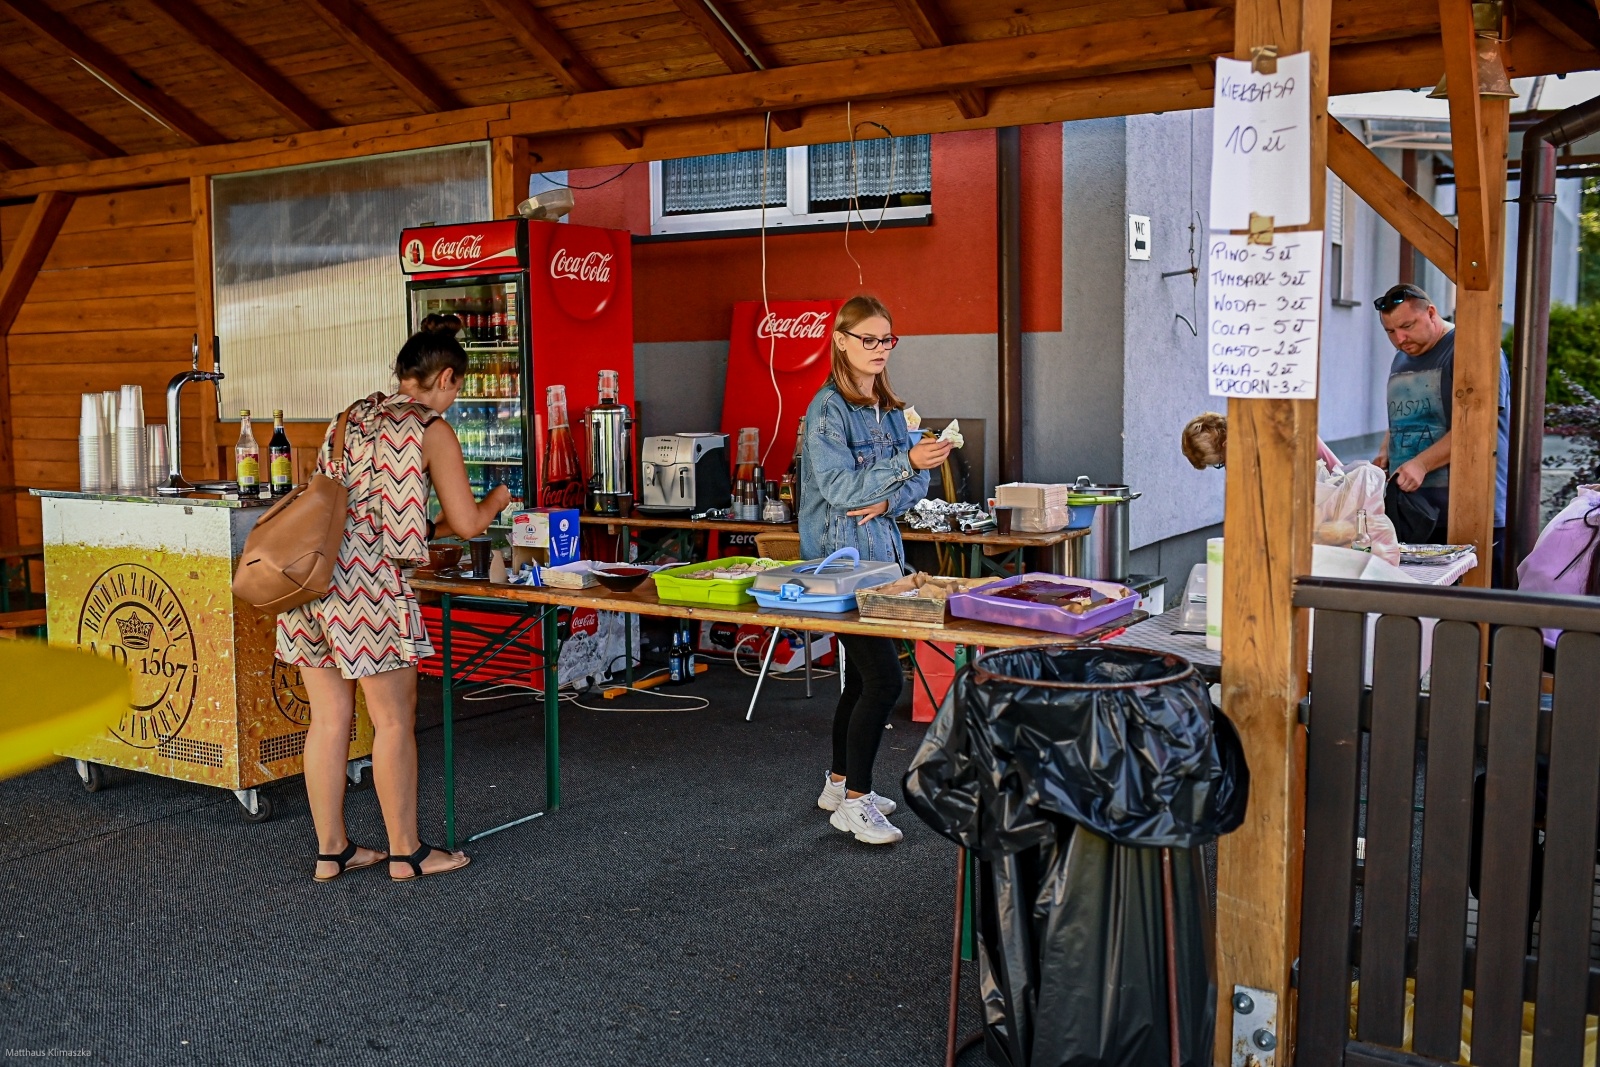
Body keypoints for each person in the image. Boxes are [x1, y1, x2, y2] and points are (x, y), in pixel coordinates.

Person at [276, 321, 510, 882]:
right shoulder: (431, 429)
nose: (454, 400)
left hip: (314, 581)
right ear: (446, 379)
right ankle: (407, 853)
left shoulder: (346, 418)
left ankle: (332, 851)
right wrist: (502, 496)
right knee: (391, 723)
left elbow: (341, 500)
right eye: (456, 389)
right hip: (372, 588)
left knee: (328, 721)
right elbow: (466, 522)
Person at [799, 294, 952, 845]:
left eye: (888, 339)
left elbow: (917, 485)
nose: (881, 348)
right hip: (838, 562)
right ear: (841, 339)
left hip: (881, 556)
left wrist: (891, 495)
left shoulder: (888, 406)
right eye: (869, 339)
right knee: (885, 678)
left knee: (863, 678)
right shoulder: (827, 411)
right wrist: (903, 465)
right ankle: (858, 803)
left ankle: (840, 785)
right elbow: (839, 491)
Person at [1371, 283, 1511, 583]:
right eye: (1390, 332)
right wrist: (1386, 450)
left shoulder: (1471, 350)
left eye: (1407, 326)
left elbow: (1477, 428)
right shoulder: (1402, 356)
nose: (1400, 339)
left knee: (1478, 615)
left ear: (1431, 313)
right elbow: (1406, 412)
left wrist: (1421, 463)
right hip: (1414, 514)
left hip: (1470, 513)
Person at [1180, 411, 1342, 471]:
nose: (1228, 467)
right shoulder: (1253, 427)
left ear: (1226, 445)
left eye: (1221, 461)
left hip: (1333, 494)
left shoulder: (1261, 441)